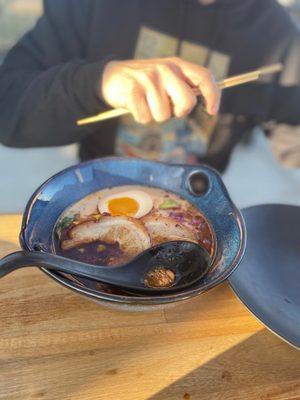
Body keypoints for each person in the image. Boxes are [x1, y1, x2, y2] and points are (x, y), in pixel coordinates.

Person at [0, 0, 299, 172]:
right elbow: (9, 109)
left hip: (195, 209)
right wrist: (99, 82)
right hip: (93, 193)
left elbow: (293, 141)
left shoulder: (278, 35)